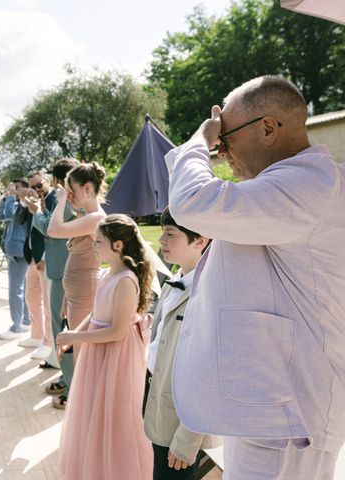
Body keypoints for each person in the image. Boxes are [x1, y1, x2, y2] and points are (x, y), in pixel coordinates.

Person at [166, 75, 345, 479]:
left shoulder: (306, 185)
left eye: (226, 138)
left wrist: (198, 139)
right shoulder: (299, 184)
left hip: (287, 416)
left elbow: (194, 202)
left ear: (268, 127)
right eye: (218, 141)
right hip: (277, 406)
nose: (221, 150)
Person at [56, 213, 154, 480]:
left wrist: (76, 339)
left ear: (118, 245)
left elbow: (118, 331)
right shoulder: (106, 273)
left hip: (116, 355)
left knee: (114, 415)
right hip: (97, 351)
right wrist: (75, 331)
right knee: (93, 413)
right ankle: (94, 467)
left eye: (99, 242)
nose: (94, 246)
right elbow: (97, 314)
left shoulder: (126, 280)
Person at [143, 207, 220, 480]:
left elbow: (209, 372)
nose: (161, 240)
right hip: (158, 405)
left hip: (182, 421)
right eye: (162, 232)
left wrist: (187, 440)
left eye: (170, 234)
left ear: (200, 240)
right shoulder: (176, 279)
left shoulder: (209, 294)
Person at [47, 161, 107, 409]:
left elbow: (54, 229)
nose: (69, 196)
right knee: (81, 356)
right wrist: (65, 300)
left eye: (73, 191)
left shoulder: (96, 218)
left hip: (85, 295)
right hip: (76, 295)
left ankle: (88, 409)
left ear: (88, 189)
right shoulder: (87, 217)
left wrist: (61, 201)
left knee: (83, 357)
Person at [26, 158, 80, 405]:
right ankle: (67, 375)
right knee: (63, 329)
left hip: (65, 271)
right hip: (61, 269)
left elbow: (52, 230)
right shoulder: (69, 199)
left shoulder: (70, 200)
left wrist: (37, 212)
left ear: (58, 179)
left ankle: (72, 384)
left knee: (63, 330)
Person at [18, 171, 54, 360]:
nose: (37, 189)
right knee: (31, 297)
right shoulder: (33, 201)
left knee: (48, 303)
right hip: (32, 256)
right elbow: (20, 221)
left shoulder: (54, 199)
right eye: (33, 186)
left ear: (47, 181)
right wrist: (25, 201)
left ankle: (48, 343)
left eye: (39, 185)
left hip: (44, 259)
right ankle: (36, 335)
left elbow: (52, 231)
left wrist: (46, 257)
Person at [0, 179, 32, 339]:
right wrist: (5, 198)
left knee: (15, 290)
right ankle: (25, 321)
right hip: (16, 250)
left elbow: (10, 214)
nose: (13, 190)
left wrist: (10, 197)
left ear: (25, 189)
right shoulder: (15, 204)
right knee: (21, 288)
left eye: (17, 188)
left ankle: (16, 327)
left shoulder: (24, 205)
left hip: (19, 251)